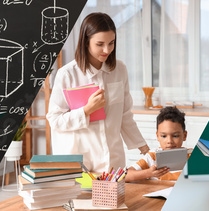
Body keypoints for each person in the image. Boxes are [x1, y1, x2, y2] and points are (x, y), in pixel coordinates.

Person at [47, 12, 149, 171]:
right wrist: (87, 110)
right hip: (80, 157)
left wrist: (143, 147)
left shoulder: (120, 70)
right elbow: (55, 120)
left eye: (111, 43)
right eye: (100, 44)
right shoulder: (67, 74)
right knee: (83, 196)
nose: (107, 50)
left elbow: (124, 114)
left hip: (112, 157)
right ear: (86, 42)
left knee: (116, 195)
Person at [125, 106, 189, 182]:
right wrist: (148, 173)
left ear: (184, 136)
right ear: (157, 136)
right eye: (164, 136)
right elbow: (125, 176)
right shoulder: (152, 156)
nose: (169, 141)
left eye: (175, 136)